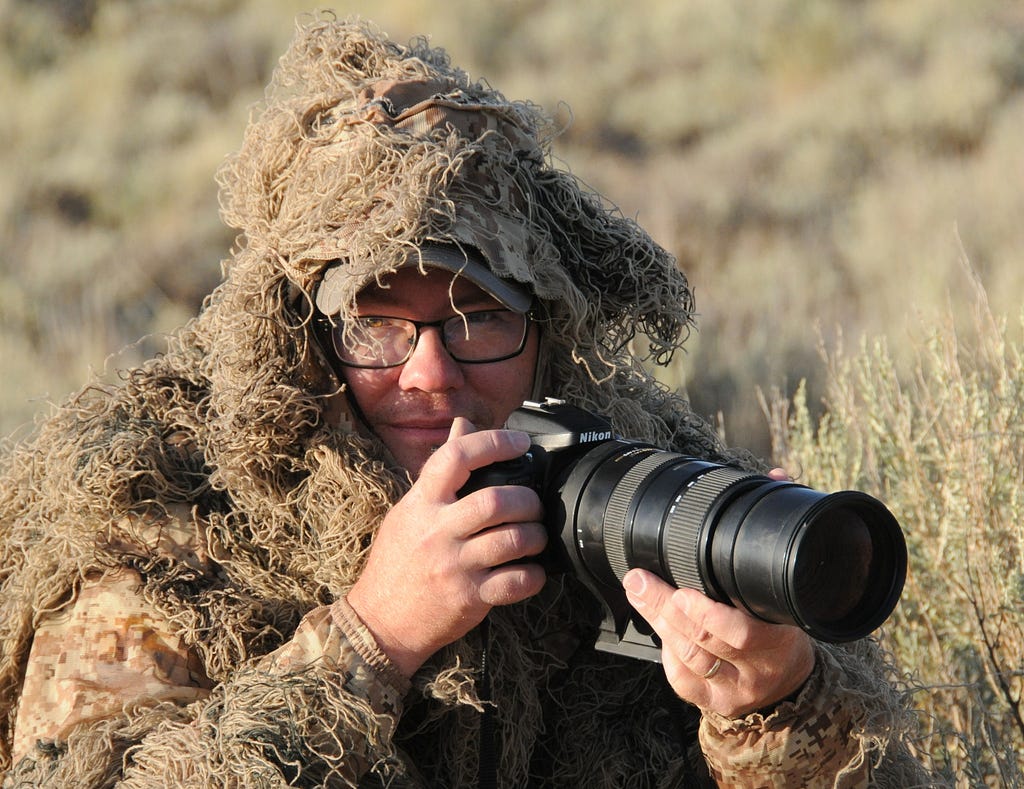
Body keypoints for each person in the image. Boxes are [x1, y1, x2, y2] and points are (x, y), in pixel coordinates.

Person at [0, 14, 936, 788]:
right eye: (376, 325)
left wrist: (774, 704)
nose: (431, 374)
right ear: (293, 339)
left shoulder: (620, 485)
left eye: (479, 315)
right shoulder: (165, 533)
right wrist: (372, 637)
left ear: (547, 329)